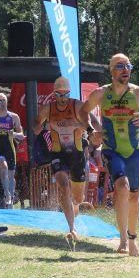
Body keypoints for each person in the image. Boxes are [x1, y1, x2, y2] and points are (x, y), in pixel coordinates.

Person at [82, 55, 139, 257]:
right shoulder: (101, 93)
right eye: (120, 66)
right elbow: (82, 111)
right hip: (111, 150)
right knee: (121, 186)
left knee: (134, 195)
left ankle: (132, 238)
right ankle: (122, 241)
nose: (125, 70)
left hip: (134, 152)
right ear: (111, 71)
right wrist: (91, 130)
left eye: (128, 66)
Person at [34, 77, 91, 247]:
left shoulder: (77, 105)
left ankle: (74, 207)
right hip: (58, 153)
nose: (62, 98)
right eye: (59, 94)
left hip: (77, 154)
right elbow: (36, 122)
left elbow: (90, 120)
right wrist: (38, 127)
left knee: (78, 198)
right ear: (54, 94)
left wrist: (93, 131)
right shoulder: (48, 109)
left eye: (65, 94)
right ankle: (72, 228)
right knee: (63, 185)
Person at [0, 93, 24, 208]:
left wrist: (15, 134)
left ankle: (11, 199)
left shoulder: (14, 117)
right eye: (0, 101)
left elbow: (22, 136)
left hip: (10, 149)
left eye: (4, 100)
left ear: (7, 102)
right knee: (4, 168)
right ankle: (7, 195)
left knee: (11, 176)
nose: (2, 103)